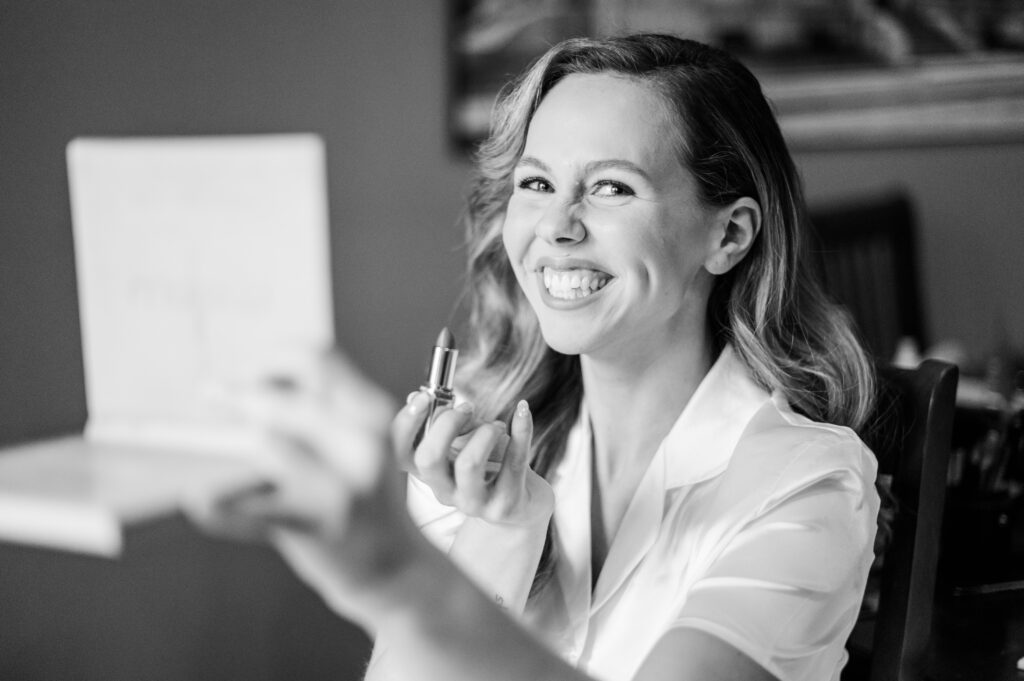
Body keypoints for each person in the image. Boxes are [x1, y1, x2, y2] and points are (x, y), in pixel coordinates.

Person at [188, 33, 880, 681]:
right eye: (537, 183)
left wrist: (401, 573)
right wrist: (497, 535)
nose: (556, 226)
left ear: (729, 235)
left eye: (611, 186)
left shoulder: (806, 484)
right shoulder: (472, 470)